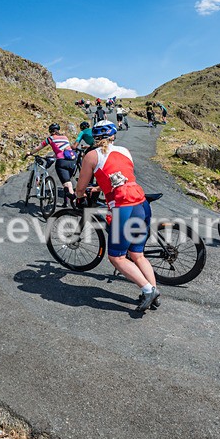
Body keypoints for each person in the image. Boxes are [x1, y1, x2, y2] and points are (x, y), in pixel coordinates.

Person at [75, 121, 160, 312]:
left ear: (95, 138)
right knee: (138, 254)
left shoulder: (91, 156)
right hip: (141, 202)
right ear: (114, 136)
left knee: (117, 258)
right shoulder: (124, 151)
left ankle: (148, 291)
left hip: (123, 207)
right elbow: (122, 176)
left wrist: (79, 196)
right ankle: (154, 291)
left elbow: (80, 187)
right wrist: (101, 187)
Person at [26, 123, 78, 209]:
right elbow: (63, 150)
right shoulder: (65, 138)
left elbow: (39, 147)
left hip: (62, 163)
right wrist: (53, 156)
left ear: (50, 131)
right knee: (68, 183)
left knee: (67, 184)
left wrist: (30, 153)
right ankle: (68, 203)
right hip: (72, 161)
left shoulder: (50, 138)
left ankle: (73, 199)